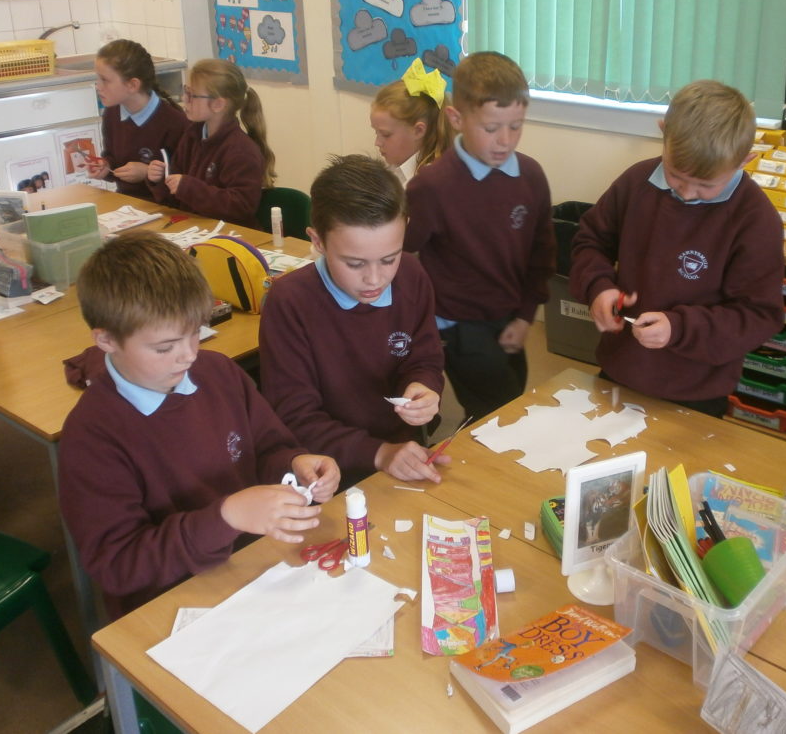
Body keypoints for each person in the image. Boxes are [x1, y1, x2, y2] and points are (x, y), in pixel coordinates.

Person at [58, 231, 339, 619]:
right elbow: (119, 565)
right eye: (165, 347)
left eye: (195, 333)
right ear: (106, 340)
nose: (188, 355)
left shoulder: (219, 373)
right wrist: (225, 518)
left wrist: (295, 465)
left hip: (255, 565)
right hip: (169, 605)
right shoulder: (92, 437)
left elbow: (268, 448)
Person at [569, 79, 785, 417]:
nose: (686, 193)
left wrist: (680, 328)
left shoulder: (755, 219)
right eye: (676, 175)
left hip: (697, 388)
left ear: (745, 160)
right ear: (663, 133)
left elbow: (758, 315)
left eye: (705, 185)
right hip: (622, 368)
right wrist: (598, 287)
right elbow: (590, 241)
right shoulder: (635, 182)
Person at [260, 155, 446, 486]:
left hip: (403, 454)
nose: (375, 279)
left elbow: (425, 358)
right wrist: (380, 453)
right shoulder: (289, 302)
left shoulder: (412, 275)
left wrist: (424, 387)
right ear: (317, 241)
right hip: (330, 473)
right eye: (355, 263)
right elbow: (296, 417)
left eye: (389, 259)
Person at [404, 51, 556, 423]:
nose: (505, 140)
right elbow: (401, 254)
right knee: (497, 413)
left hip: (508, 313)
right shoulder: (432, 186)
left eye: (516, 126)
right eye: (491, 128)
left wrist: (525, 316)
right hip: (457, 323)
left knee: (510, 400)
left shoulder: (531, 176)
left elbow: (542, 252)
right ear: (456, 119)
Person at [146, 58, 273, 228]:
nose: (184, 99)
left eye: (192, 95)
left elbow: (241, 207)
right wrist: (161, 179)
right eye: (185, 91)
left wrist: (188, 188)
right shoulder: (191, 136)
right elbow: (174, 198)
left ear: (218, 104)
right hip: (193, 228)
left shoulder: (241, 150)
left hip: (230, 235)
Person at [86, 39, 187, 201]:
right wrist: (106, 167)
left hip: (164, 207)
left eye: (105, 80)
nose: (98, 86)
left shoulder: (175, 122)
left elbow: (185, 182)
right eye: (98, 78)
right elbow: (113, 159)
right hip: (128, 204)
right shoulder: (112, 113)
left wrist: (147, 173)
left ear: (132, 85)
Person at [370, 57, 455, 184]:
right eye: (376, 132)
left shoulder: (430, 183)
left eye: (386, 134)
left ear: (418, 131)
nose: (377, 143)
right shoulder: (397, 170)